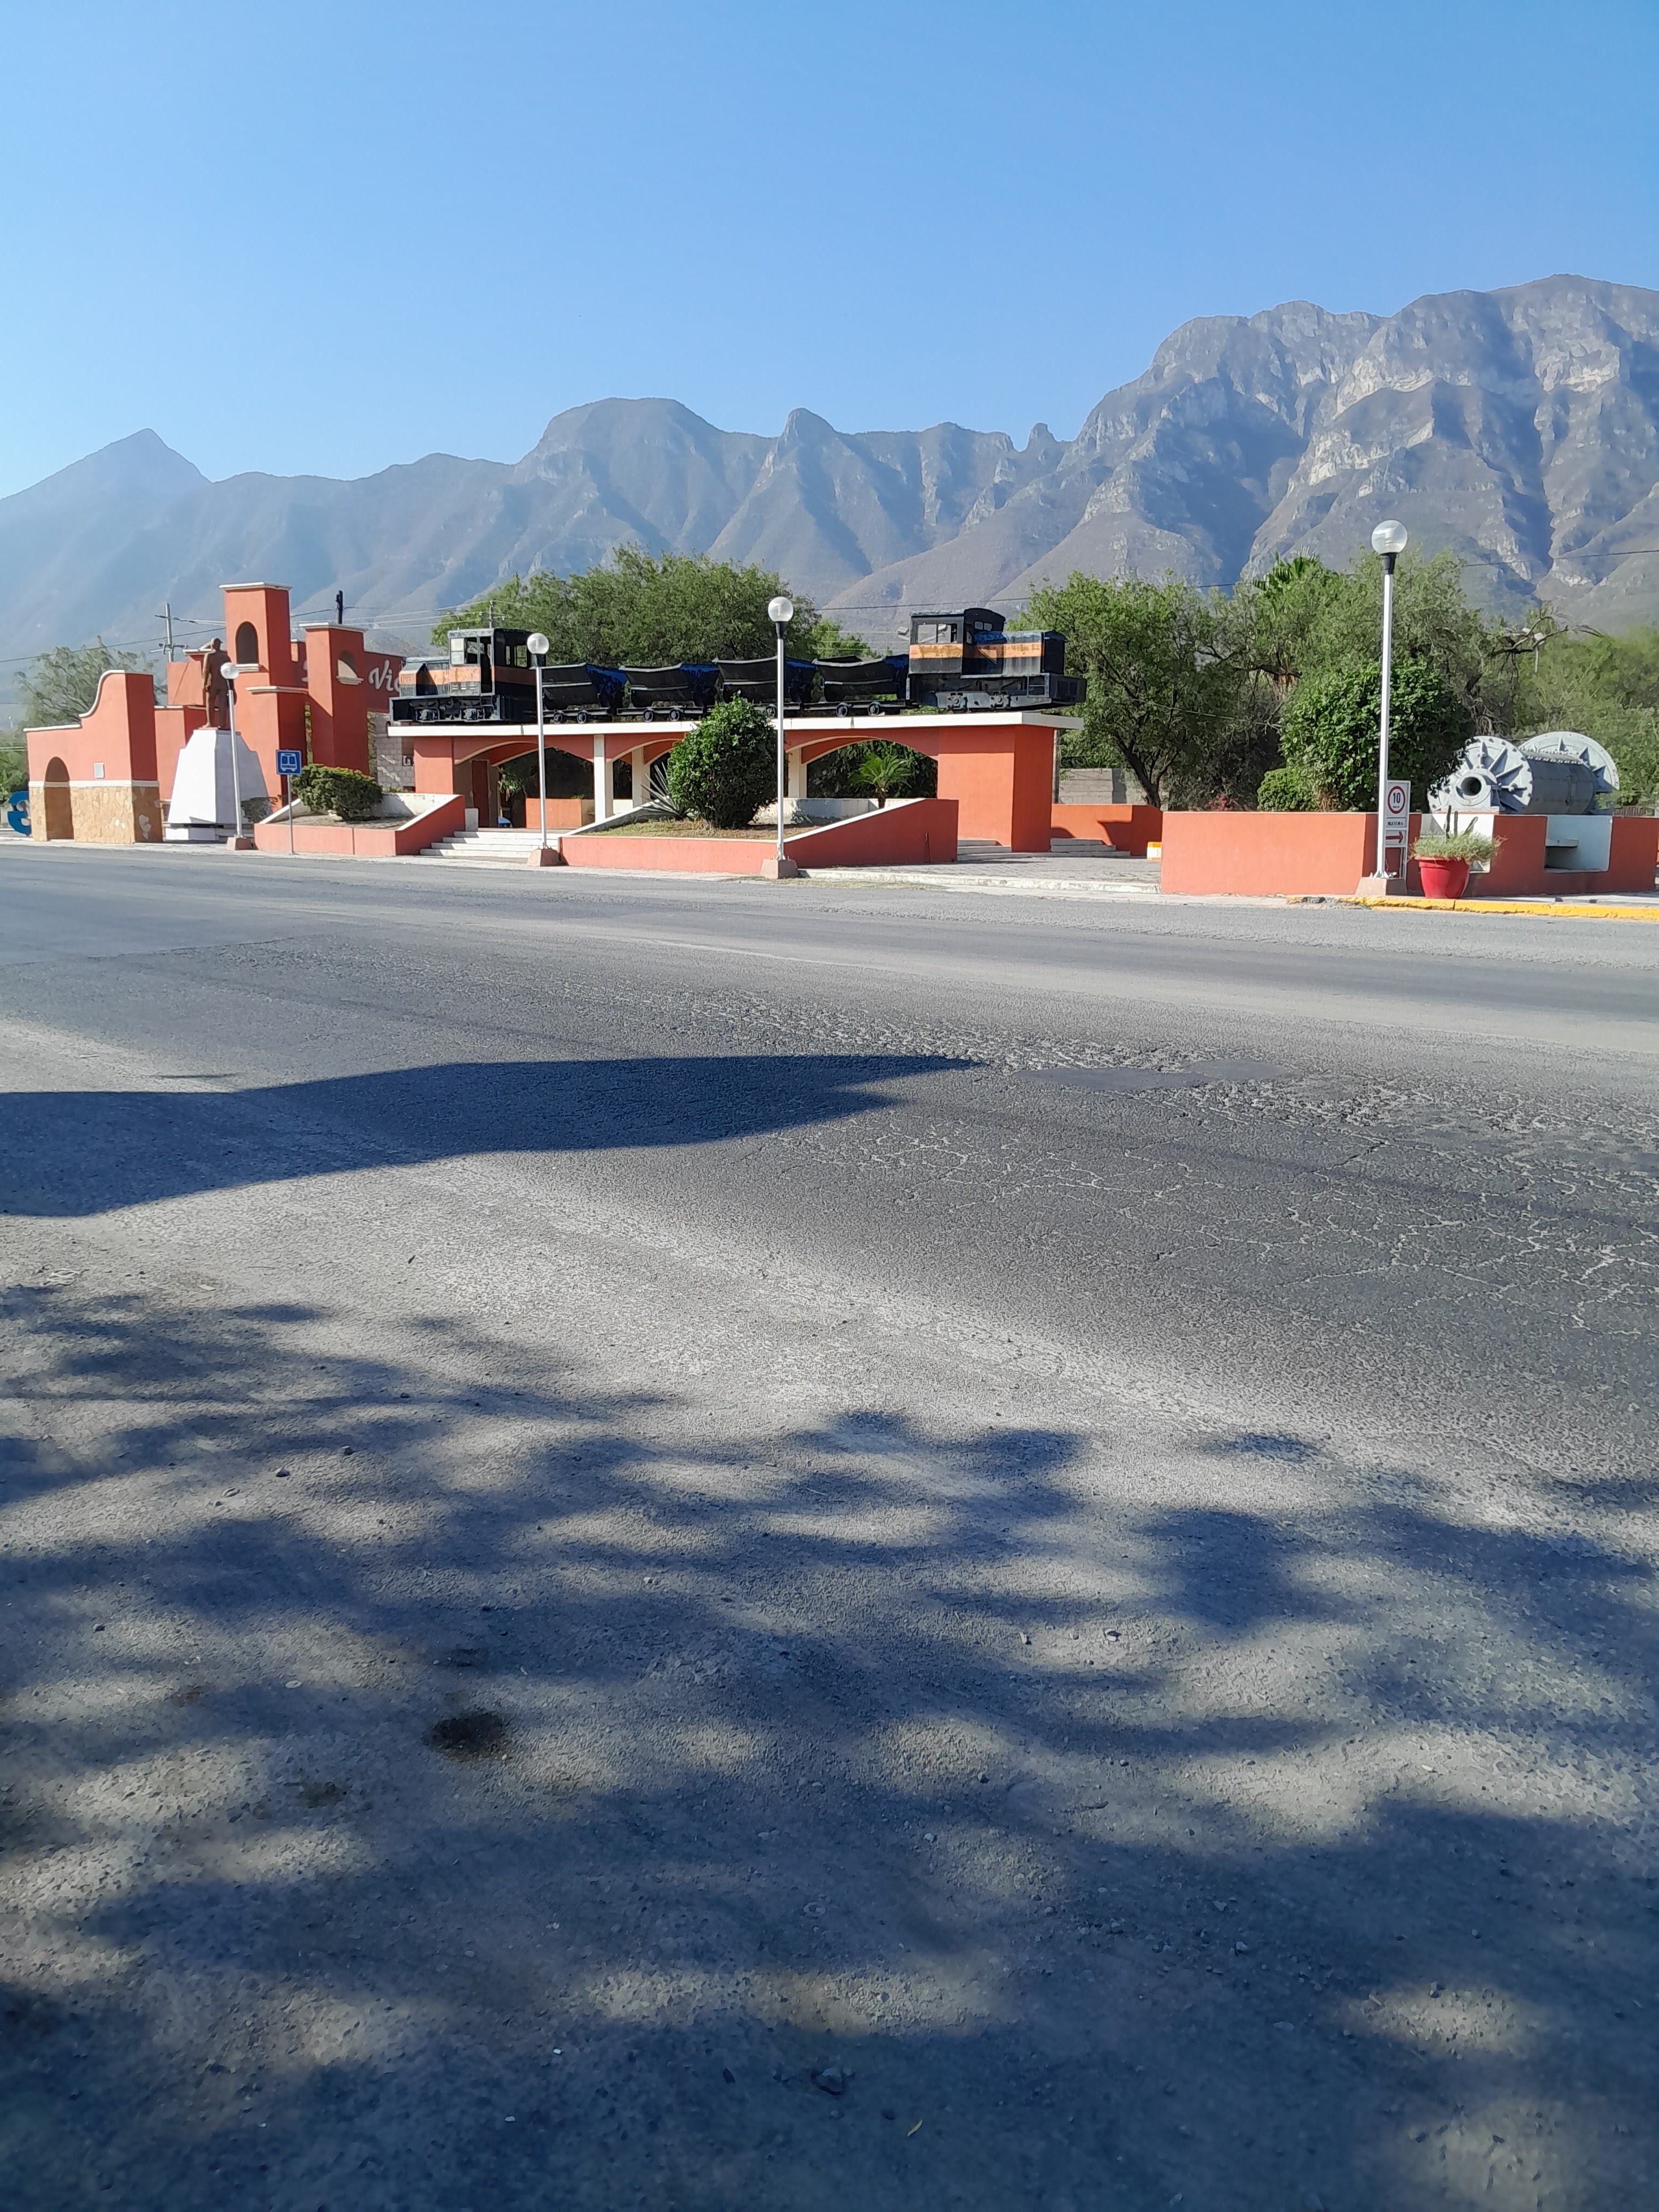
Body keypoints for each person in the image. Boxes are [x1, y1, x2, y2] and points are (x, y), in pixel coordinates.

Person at [201, 639, 229, 727]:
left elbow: (206, 670)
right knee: (222, 704)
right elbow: (229, 670)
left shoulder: (209, 655)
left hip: (212, 683)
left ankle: (210, 723)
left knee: (210, 702)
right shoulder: (225, 656)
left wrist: (204, 684)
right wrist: (231, 686)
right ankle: (222, 724)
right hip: (224, 683)